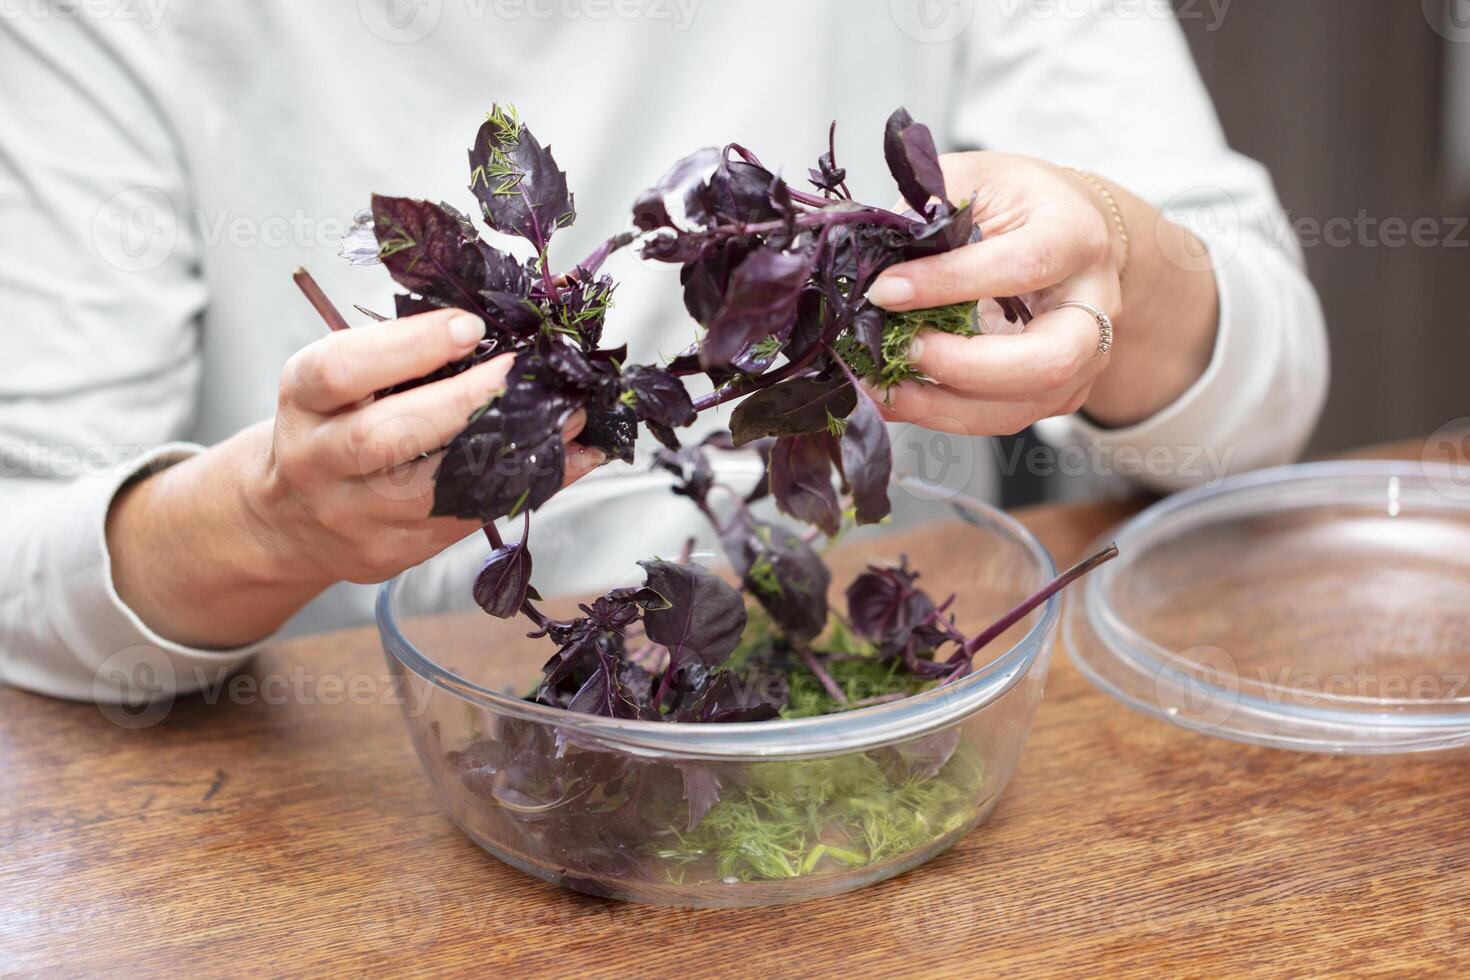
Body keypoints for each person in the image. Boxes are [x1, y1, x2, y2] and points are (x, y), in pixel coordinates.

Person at [0, 1, 1327, 703]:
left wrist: (1118, 259)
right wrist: (263, 520)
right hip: (359, 786)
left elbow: (1259, 404)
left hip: (862, 720)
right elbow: (24, 550)